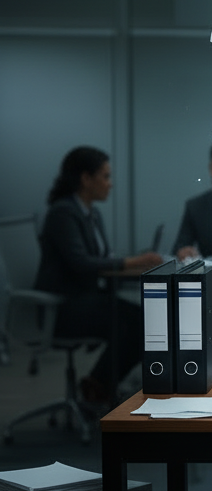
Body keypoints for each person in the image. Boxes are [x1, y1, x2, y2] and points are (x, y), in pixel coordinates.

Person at [34, 146, 163, 404]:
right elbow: (81, 263)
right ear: (85, 179)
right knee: (136, 324)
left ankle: (98, 386)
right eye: (105, 176)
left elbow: (101, 259)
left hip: (87, 300)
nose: (110, 184)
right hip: (64, 307)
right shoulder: (63, 213)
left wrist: (133, 263)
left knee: (145, 320)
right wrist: (133, 261)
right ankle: (99, 387)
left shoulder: (91, 213)